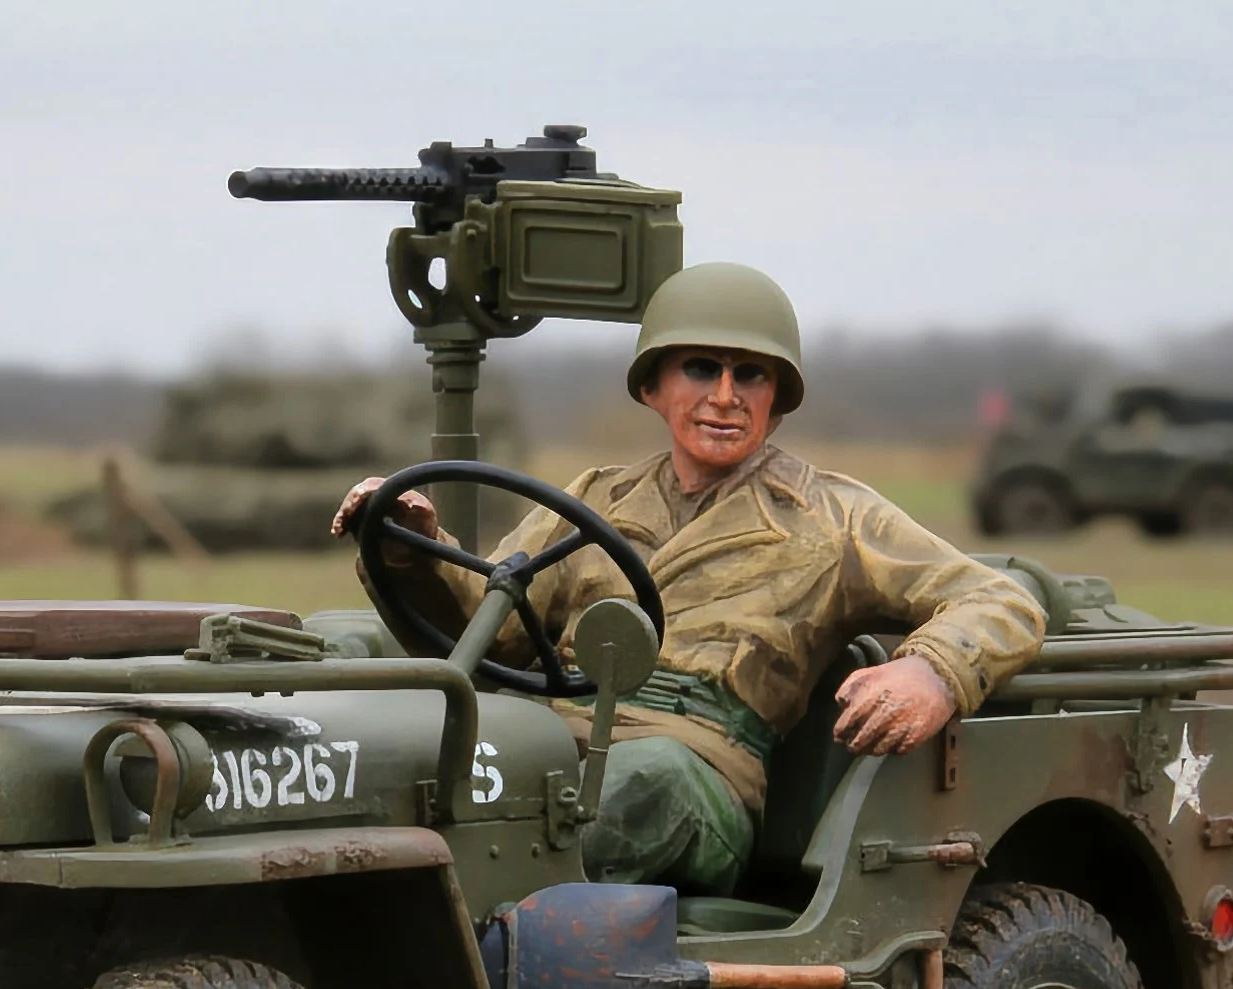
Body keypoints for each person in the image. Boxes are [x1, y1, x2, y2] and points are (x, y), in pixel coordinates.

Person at [331, 262, 1046, 894]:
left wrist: (933, 671)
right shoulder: (597, 498)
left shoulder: (834, 517)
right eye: (702, 369)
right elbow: (497, 629)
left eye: (752, 375)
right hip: (561, 735)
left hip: (702, 770)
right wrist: (412, 543)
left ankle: (463, 941)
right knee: (406, 764)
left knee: (636, 790)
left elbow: (999, 597)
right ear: (654, 386)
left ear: (777, 397)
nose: (726, 395)